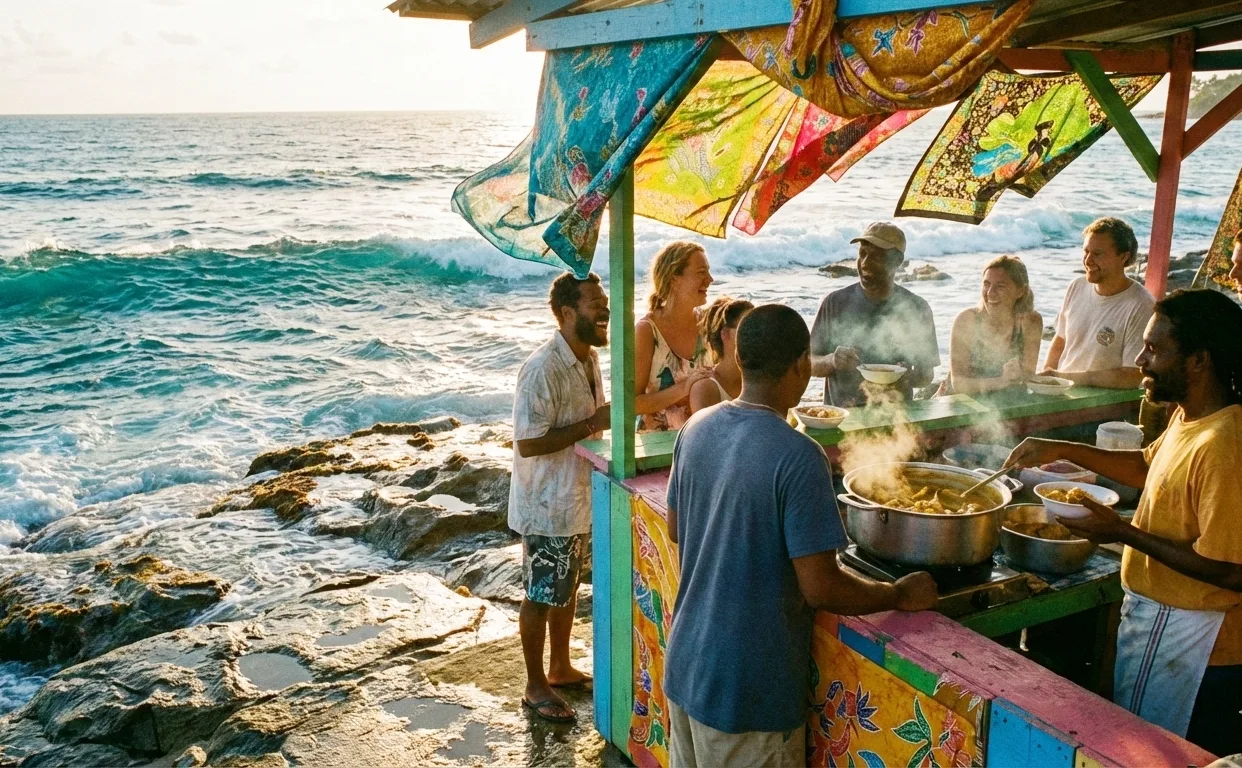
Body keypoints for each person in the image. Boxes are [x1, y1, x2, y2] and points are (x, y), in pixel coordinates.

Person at [664, 304, 939, 768]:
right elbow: (820, 586)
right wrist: (897, 593)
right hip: (747, 695)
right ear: (801, 364)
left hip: (686, 666)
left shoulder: (697, 427)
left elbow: (676, 528)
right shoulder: (799, 455)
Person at [1005, 289, 1242, 755]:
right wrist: (1060, 448)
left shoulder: (1224, 445)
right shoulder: (1190, 417)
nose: (1139, 359)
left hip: (1197, 643)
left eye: (1154, 349)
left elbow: (1232, 572)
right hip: (1158, 621)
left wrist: (1119, 532)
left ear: (1198, 361)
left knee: (1168, 754)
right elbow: (1145, 466)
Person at [509, 271, 612, 724]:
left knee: (565, 591)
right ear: (568, 313)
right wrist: (593, 424)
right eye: (595, 302)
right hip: (547, 504)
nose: (605, 308)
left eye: (604, 299)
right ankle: (535, 686)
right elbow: (528, 443)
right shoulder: (541, 368)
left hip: (572, 497)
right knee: (539, 593)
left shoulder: (586, 357)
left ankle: (560, 666)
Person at [810, 222, 939, 407]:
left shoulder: (917, 309)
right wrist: (832, 360)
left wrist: (907, 377)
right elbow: (808, 362)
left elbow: (926, 375)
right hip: (842, 418)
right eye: (862, 254)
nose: (865, 263)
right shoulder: (835, 303)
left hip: (899, 418)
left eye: (877, 257)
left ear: (897, 262)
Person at [1041, 217, 1154, 388]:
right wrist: (1046, 379)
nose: (1088, 260)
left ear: (1124, 257)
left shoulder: (1140, 304)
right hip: (1062, 393)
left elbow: (1132, 376)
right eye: (1086, 252)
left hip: (1103, 405)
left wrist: (1063, 377)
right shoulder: (1076, 286)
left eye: (1097, 254)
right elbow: (1060, 340)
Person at [636, 241, 715, 431]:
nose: (710, 279)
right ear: (674, 279)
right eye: (701, 272)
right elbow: (630, 404)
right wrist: (683, 387)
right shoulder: (647, 331)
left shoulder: (709, 324)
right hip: (658, 449)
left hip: (704, 438)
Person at [942, 255, 1043, 395]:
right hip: (959, 401)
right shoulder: (967, 320)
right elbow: (959, 383)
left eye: (1000, 286)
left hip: (1004, 401)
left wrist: (1019, 374)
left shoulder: (1030, 321)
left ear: (1021, 291)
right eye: (986, 284)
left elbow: (1028, 375)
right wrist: (1001, 381)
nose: (990, 292)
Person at [688, 297, 752, 415]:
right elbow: (705, 432)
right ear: (726, 334)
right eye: (747, 328)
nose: (755, 334)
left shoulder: (761, 380)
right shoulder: (705, 387)